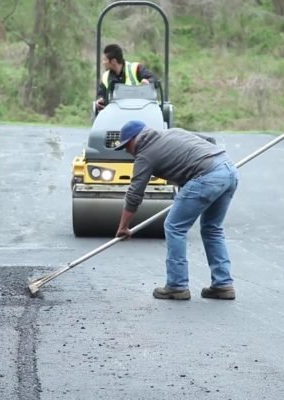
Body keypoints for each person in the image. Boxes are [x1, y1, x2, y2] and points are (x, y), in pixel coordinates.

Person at [114, 120, 239, 301]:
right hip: (229, 169)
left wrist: (123, 226)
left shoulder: (145, 154)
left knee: (174, 227)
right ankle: (223, 285)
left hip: (208, 176)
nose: (127, 151)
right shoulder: (173, 132)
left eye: (127, 146)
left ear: (135, 139)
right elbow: (209, 140)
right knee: (212, 229)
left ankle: (177, 286)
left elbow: (135, 193)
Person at [95, 44, 156, 110]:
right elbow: (101, 94)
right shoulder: (105, 77)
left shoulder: (135, 68)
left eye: (105, 60)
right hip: (115, 115)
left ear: (113, 61)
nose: (103, 63)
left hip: (139, 111)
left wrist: (148, 82)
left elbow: (154, 79)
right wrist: (100, 100)